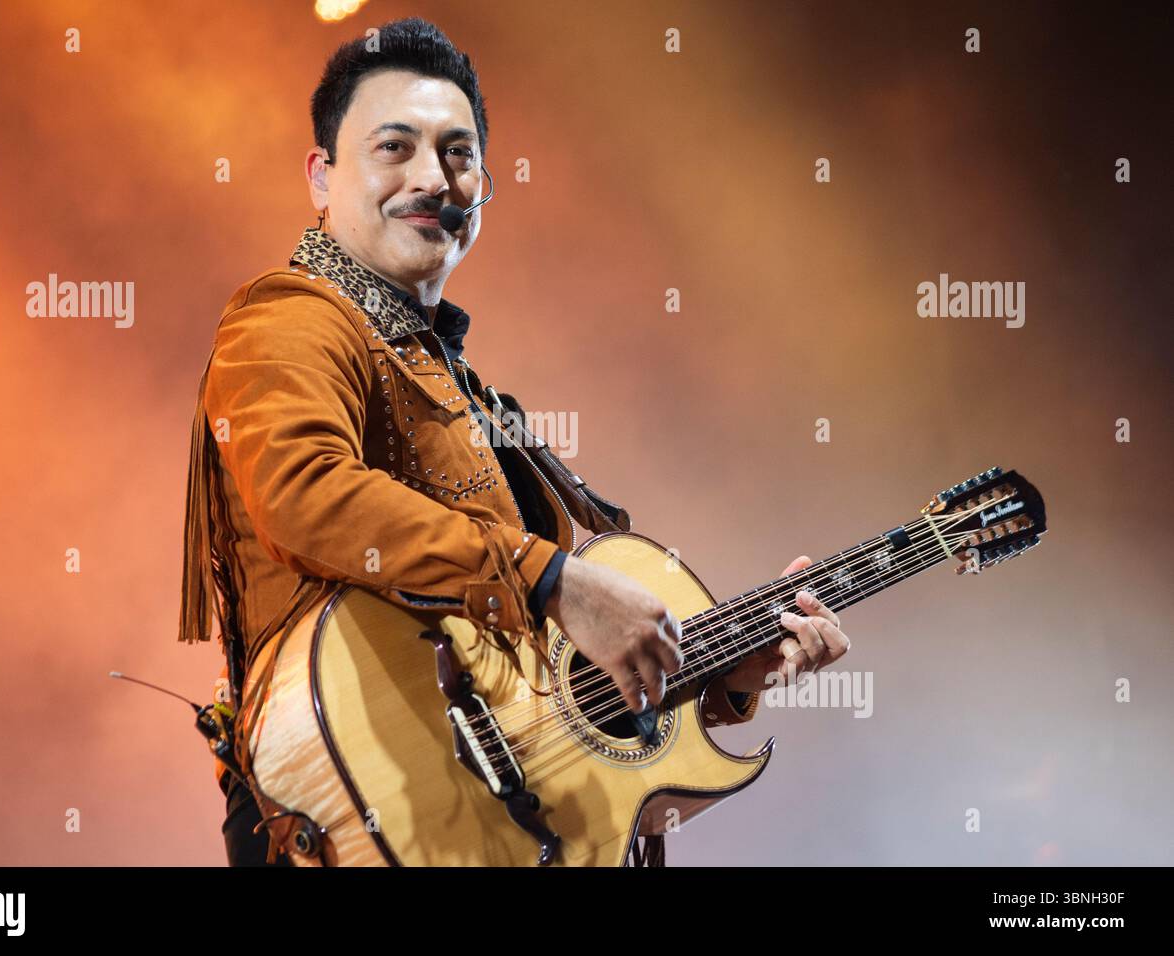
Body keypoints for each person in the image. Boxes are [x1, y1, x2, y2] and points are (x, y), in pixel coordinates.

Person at [179, 17, 850, 868]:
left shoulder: (466, 391)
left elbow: (541, 703)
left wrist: (723, 675)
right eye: (395, 147)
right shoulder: (288, 318)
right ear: (321, 175)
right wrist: (555, 579)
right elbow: (305, 493)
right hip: (346, 822)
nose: (434, 177)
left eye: (459, 154)